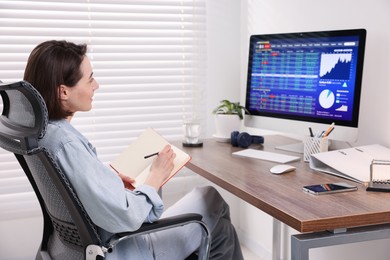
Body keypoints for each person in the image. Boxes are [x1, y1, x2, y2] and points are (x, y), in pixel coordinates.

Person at [24, 40, 243, 260]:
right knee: (209, 197)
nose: (96, 85)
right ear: (63, 92)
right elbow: (127, 217)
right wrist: (155, 177)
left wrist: (109, 182)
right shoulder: (67, 144)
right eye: (90, 79)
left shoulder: (43, 135)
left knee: (223, 232)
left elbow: (77, 191)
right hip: (125, 248)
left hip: (74, 249)